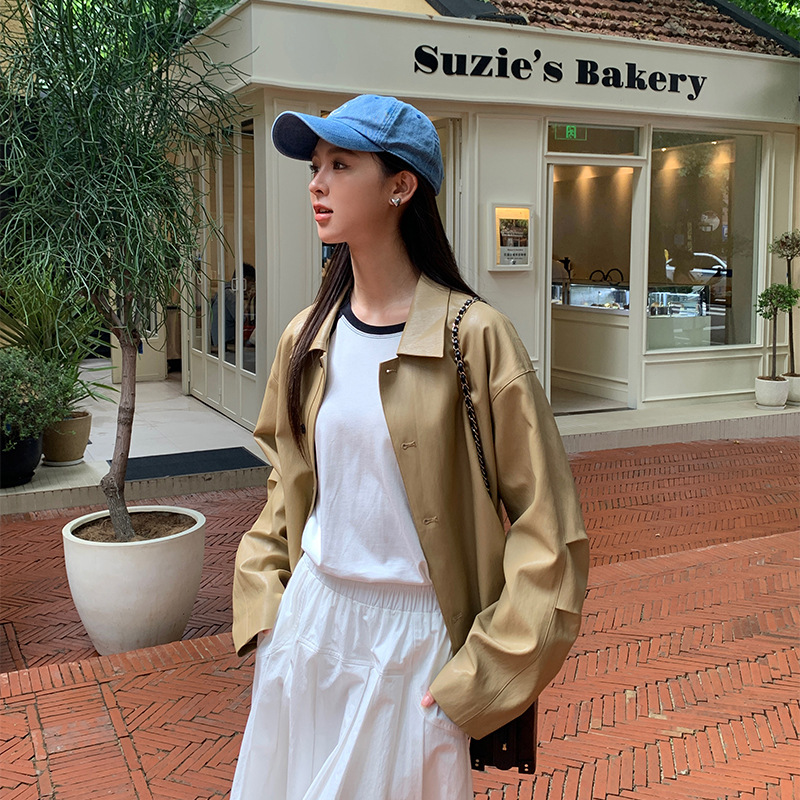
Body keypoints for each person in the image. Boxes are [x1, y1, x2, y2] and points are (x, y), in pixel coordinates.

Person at [230, 94, 589, 800]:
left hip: (415, 647)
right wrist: (268, 614)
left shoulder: (475, 338)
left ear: (401, 186)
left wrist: (479, 677)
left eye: (340, 164)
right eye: (314, 165)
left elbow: (551, 534)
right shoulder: (306, 336)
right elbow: (286, 486)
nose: (317, 183)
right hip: (309, 628)